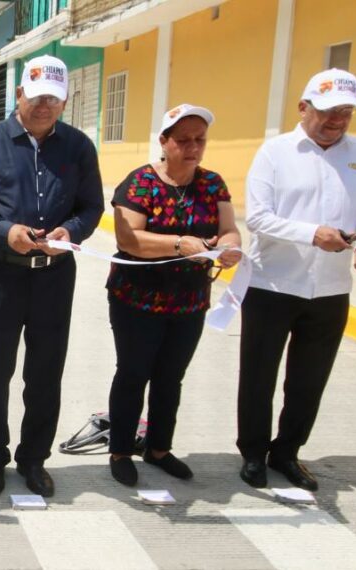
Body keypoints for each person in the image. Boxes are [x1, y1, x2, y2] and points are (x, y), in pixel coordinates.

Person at [0, 54, 103, 498]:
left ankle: (33, 459)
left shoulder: (78, 147)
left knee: (45, 372)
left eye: (53, 100)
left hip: (54, 277)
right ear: (20, 94)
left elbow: (91, 207)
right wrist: (6, 232)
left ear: (64, 101)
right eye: (36, 97)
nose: (44, 107)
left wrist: (69, 232)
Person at [237, 68, 356, 491]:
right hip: (272, 285)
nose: (336, 119)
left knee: (309, 379)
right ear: (303, 108)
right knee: (258, 376)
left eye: (345, 111)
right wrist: (311, 234)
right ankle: (252, 453)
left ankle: (287, 452)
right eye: (327, 110)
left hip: (330, 290)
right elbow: (260, 219)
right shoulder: (275, 152)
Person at [105, 104, 242, 487]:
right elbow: (129, 239)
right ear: (164, 141)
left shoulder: (212, 184)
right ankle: (119, 450)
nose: (193, 147)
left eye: (199, 139)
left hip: (189, 301)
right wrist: (181, 245)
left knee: (171, 377)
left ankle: (159, 448)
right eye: (183, 140)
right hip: (138, 300)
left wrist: (230, 248)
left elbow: (229, 229)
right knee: (133, 374)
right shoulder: (140, 183)